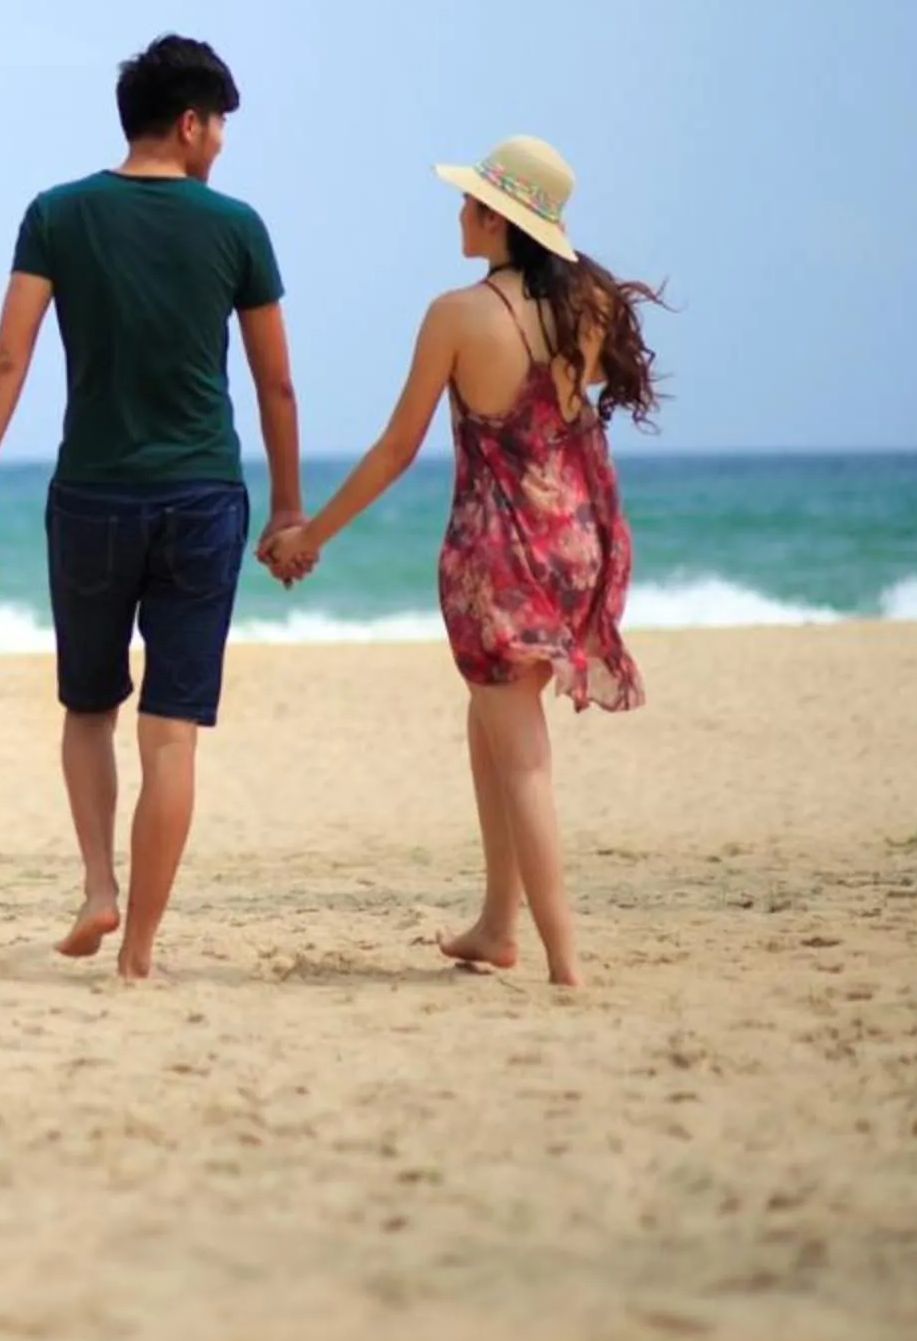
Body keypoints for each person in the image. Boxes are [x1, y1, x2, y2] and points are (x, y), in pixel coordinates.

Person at [259, 136, 664, 989]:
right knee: (489, 730)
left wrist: (313, 533)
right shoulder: (586, 301)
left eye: (470, 201)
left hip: (498, 554)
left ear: (496, 217)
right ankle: (495, 924)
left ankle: (565, 963)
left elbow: (396, 449)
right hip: (576, 540)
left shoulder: (458, 313)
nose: (458, 212)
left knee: (522, 756)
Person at [0, 35, 302, 980]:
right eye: (219, 123)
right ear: (189, 123)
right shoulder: (237, 227)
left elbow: (8, 356)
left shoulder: (57, 214)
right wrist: (288, 508)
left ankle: (100, 888)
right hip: (203, 498)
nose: (222, 142)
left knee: (87, 707)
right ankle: (139, 950)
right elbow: (276, 386)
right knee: (171, 730)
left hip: (93, 497)